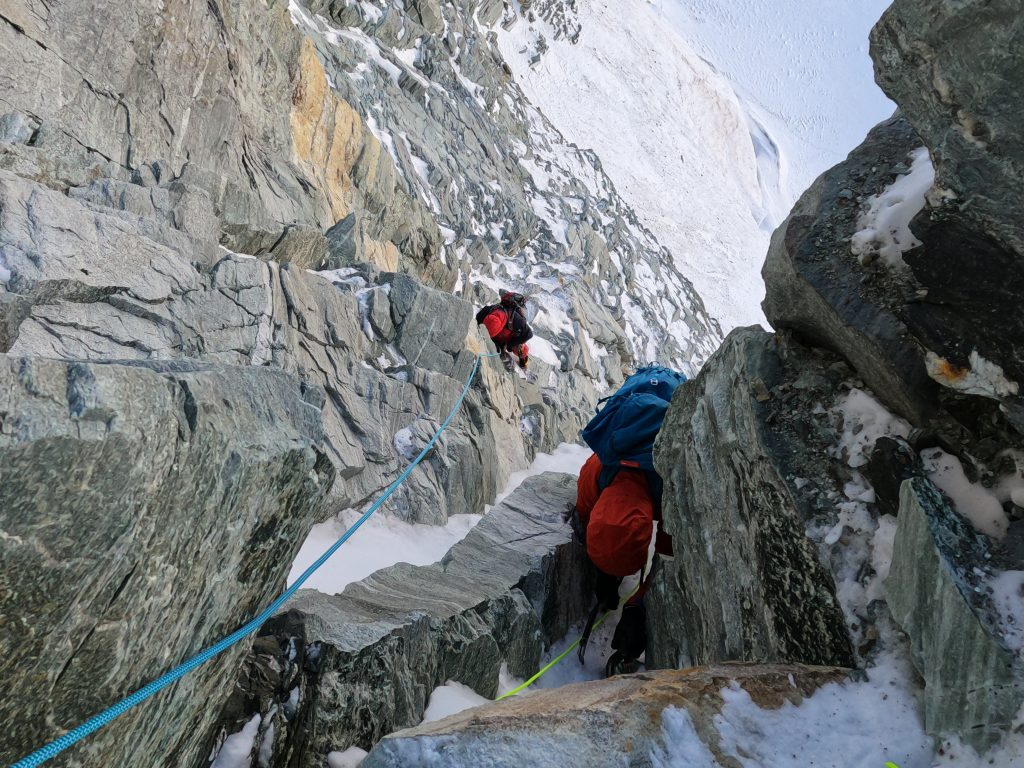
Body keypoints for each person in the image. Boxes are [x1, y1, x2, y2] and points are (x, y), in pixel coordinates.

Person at [574, 451, 673, 677]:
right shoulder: (594, 476)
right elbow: (584, 516)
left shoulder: (672, 489)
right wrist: (603, 575)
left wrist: (638, 605)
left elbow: (667, 561)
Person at [476, 290, 533, 371]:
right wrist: (507, 346)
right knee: (520, 348)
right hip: (492, 338)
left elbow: (527, 335)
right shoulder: (502, 317)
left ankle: (523, 364)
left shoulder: (505, 315)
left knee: (521, 348)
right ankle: (523, 364)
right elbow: (528, 334)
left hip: (497, 337)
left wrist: (508, 345)